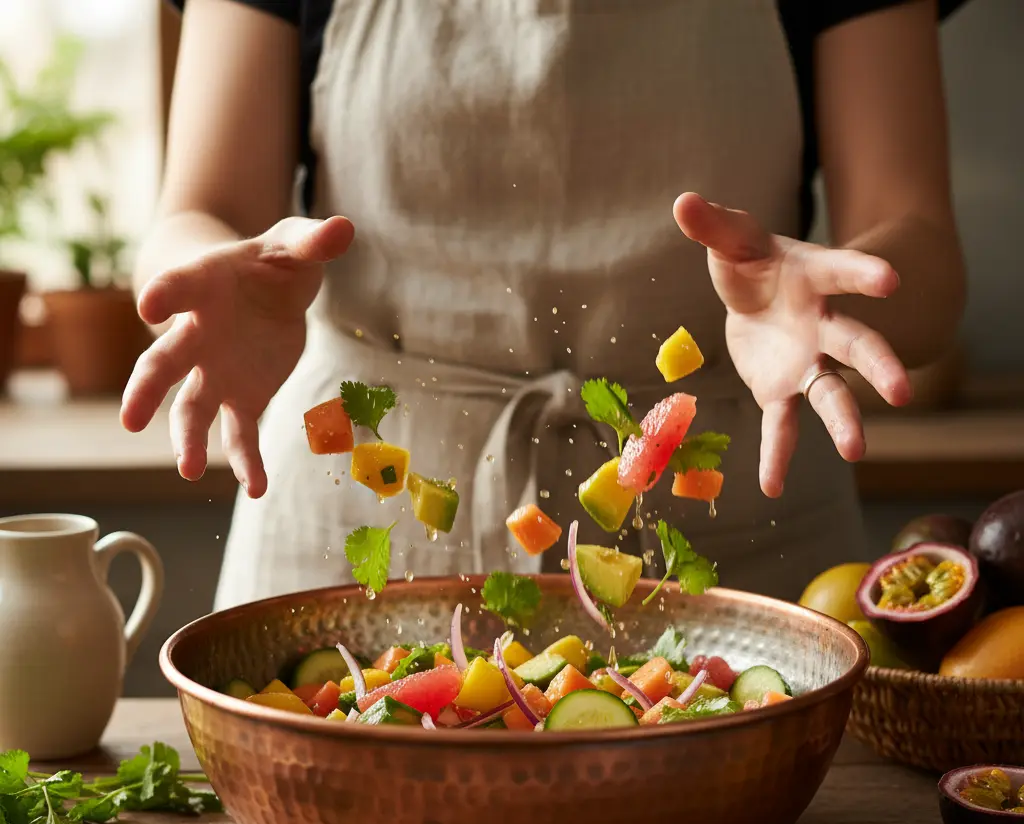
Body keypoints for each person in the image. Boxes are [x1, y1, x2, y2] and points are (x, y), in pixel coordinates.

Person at [126, 0, 967, 611]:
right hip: (356, 535)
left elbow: (921, 244)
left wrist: (845, 296)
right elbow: (201, 211)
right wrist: (208, 272)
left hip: (740, 546)